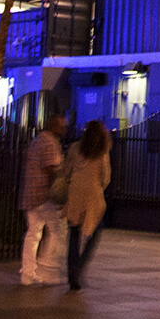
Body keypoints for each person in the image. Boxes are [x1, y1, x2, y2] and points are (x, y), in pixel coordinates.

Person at [18, 112, 69, 285]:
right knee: (58, 231)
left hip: (30, 195)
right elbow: (51, 169)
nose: (65, 128)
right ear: (54, 126)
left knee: (33, 233)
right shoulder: (49, 143)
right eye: (62, 125)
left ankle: (28, 272)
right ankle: (47, 268)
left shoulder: (37, 141)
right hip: (44, 196)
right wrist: (61, 188)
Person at [63, 120, 111, 291]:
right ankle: (79, 269)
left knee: (74, 235)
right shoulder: (102, 152)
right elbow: (105, 177)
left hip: (75, 194)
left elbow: (66, 169)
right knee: (95, 232)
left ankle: (71, 273)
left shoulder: (75, 148)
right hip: (93, 196)